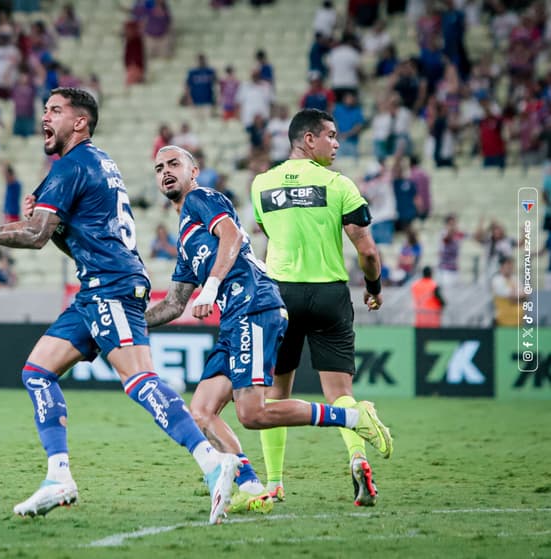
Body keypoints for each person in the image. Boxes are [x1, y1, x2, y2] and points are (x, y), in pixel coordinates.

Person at [0, 87, 241, 524]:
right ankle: (59, 477)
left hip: (113, 286)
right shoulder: (98, 163)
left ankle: (212, 461)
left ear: (79, 122)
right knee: (37, 371)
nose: (45, 117)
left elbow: (34, 235)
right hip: (95, 288)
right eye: (44, 108)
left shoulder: (72, 165)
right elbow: (78, 237)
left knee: (138, 378)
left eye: (55, 110)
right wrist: (48, 225)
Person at [146, 145, 392, 513]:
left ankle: (354, 416)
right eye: (159, 167)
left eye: (174, 164)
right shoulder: (184, 237)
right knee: (200, 412)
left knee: (253, 414)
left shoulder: (202, 198)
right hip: (234, 318)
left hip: (254, 305)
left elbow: (232, 238)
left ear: (193, 172)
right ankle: (253, 485)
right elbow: (173, 304)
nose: (166, 170)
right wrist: (126, 323)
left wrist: (211, 287)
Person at [250, 108, 392, 507]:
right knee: (340, 394)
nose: (336, 143)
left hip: (279, 296)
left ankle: (275, 483)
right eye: (330, 135)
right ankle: (357, 457)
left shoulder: (261, 184)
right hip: (328, 294)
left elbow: (270, 232)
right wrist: (374, 287)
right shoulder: (339, 184)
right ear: (307, 139)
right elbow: (367, 251)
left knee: (275, 396)